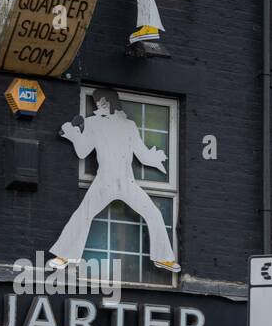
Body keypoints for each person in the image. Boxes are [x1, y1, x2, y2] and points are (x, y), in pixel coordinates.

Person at [48, 88, 180, 272]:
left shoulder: (129, 125)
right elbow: (83, 151)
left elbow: (141, 155)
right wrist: (74, 135)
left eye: (104, 100)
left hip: (127, 181)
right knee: (83, 214)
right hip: (105, 180)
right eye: (98, 102)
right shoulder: (93, 123)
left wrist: (155, 158)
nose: (101, 104)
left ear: (112, 101)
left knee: (154, 213)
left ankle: (164, 258)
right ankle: (65, 255)